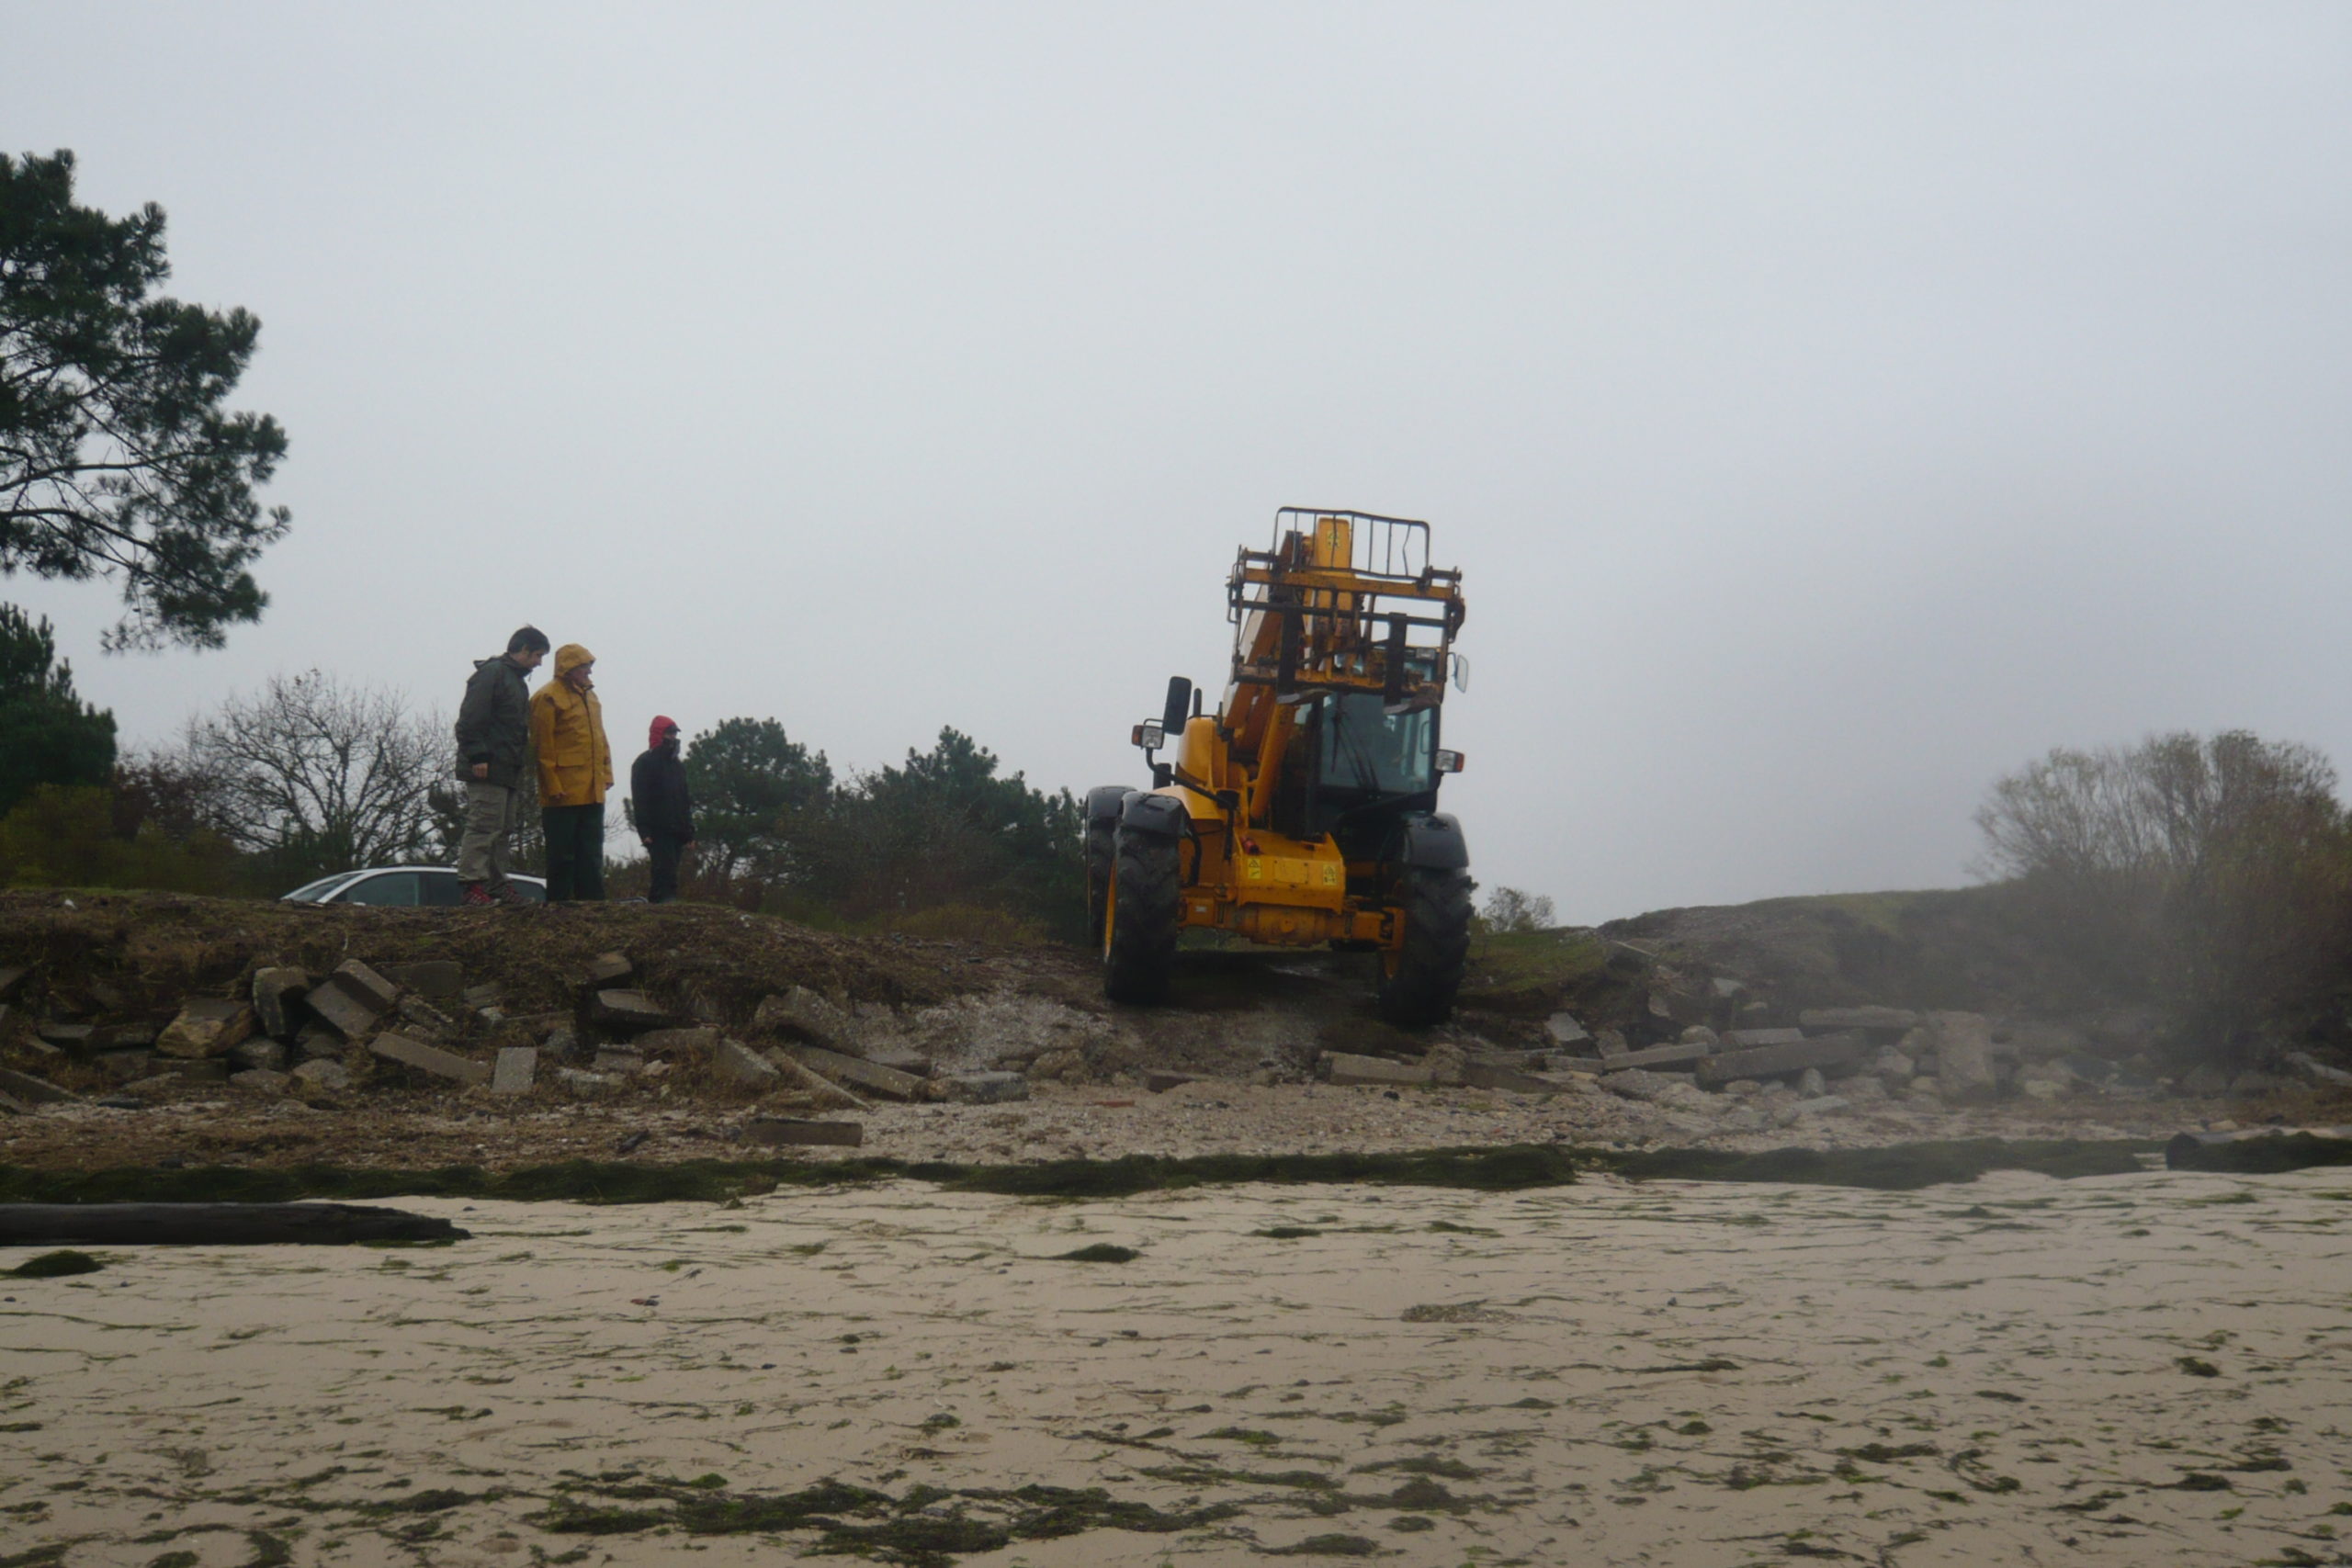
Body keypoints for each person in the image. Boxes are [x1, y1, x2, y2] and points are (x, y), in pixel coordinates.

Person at [453, 625, 549, 907]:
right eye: (537, 655)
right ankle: (473, 886)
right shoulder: (492, 674)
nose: (539, 662)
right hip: (487, 767)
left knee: (502, 829)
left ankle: (497, 885)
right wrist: (478, 757)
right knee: (483, 826)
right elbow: (470, 719)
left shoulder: (515, 680)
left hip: (508, 769)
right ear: (521, 650)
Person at [529, 642, 613, 901]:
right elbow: (542, 747)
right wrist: (552, 786)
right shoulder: (547, 697)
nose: (589, 671)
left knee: (591, 852)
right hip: (563, 791)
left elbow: (600, 738)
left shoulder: (591, 697)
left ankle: (594, 904)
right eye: (584, 666)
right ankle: (560, 905)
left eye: (590, 665)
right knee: (562, 854)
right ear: (569, 668)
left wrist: (606, 773)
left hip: (592, 789)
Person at [629, 715, 697, 904]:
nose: (673, 737)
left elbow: (684, 800)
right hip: (658, 829)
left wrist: (689, 832)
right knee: (664, 873)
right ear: (659, 734)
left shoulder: (677, 766)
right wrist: (644, 830)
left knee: (671, 873)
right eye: (669, 733)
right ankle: (662, 908)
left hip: (677, 828)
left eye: (674, 733)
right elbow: (640, 799)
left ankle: (661, 910)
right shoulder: (644, 763)